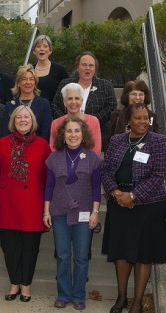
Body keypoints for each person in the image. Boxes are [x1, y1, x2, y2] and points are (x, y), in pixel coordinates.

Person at [101, 103, 166, 313]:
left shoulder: (158, 141)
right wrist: (116, 193)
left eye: (145, 118)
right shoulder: (116, 140)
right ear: (128, 121)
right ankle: (121, 298)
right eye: (138, 118)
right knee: (121, 252)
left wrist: (133, 195)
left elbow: (160, 174)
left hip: (147, 206)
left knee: (143, 254)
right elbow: (106, 170)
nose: (142, 122)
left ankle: (137, 303)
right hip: (119, 204)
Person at [0, 106, 51, 303]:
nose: (22, 120)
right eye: (18, 117)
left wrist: (48, 206)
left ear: (32, 120)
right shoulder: (2, 143)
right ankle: (14, 283)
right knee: (10, 247)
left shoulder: (43, 145)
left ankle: (26, 285)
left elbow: (48, 178)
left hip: (33, 205)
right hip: (7, 204)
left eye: (26, 117)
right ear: (13, 121)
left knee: (30, 248)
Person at [43, 117, 102, 311]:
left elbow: (95, 188)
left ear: (83, 134)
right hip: (59, 213)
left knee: (81, 257)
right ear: (63, 135)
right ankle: (63, 294)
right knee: (62, 255)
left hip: (84, 214)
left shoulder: (93, 158)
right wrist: (46, 211)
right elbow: (49, 186)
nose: (73, 135)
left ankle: (78, 295)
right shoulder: (54, 158)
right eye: (69, 131)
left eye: (77, 131)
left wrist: (95, 212)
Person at [52, 51, 116, 149]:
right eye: (84, 65)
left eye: (91, 65)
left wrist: (91, 122)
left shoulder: (105, 86)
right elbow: (55, 105)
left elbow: (111, 106)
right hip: (68, 136)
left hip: (94, 135)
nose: (87, 68)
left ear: (95, 69)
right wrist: (68, 122)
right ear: (77, 67)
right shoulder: (65, 83)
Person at [1, 64, 52, 142]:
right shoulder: (9, 106)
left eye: (31, 79)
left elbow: (46, 132)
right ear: (18, 83)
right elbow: (5, 132)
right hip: (13, 149)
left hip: (37, 149)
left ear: (35, 83)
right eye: (24, 79)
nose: (28, 82)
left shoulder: (44, 104)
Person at [50, 83, 101, 155]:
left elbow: (96, 150)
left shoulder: (93, 121)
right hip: (62, 164)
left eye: (77, 98)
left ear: (82, 101)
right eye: (70, 98)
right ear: (64, 102)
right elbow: (53, 149)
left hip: (88, 164)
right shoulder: (56, 123)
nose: (73, 102)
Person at [32, 35, 69, 104]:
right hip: (32, 111)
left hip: (54, 112)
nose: (42, 49)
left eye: (45, 46)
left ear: (50, 50)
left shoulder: (60, 70)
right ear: (34, 51)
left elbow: (68, 93)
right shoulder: (29, 70)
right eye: (38, 46)